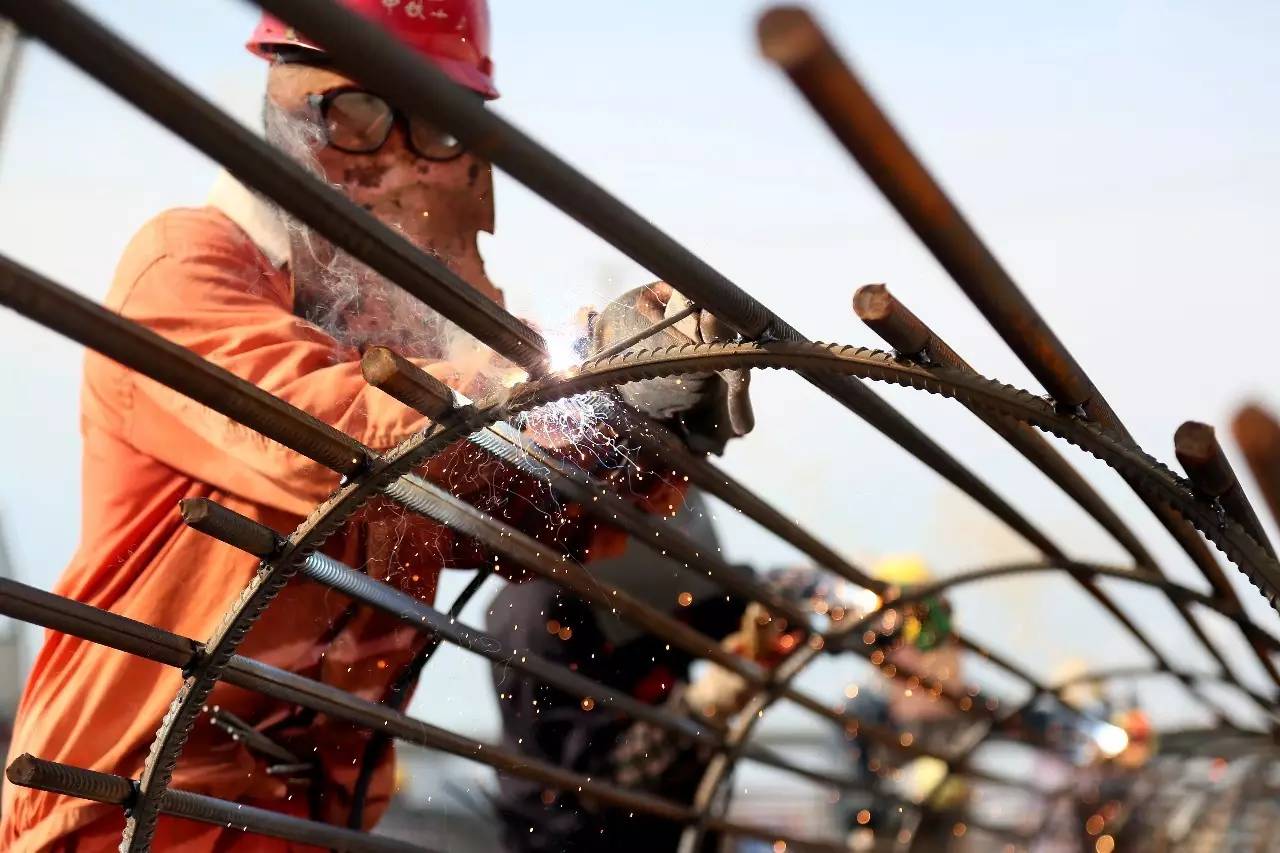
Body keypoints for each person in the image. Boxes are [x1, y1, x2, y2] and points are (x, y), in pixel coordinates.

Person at [0, 2, 750, 849]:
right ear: (287, 103)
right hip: (125, 807)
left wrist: (639, 441)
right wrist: (577, 379)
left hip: (308, 824)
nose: (392, 163)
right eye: (356, 116)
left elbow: (520, 514)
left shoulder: (408, 361)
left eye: (434, 130)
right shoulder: (188, 265)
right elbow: (329, 439)